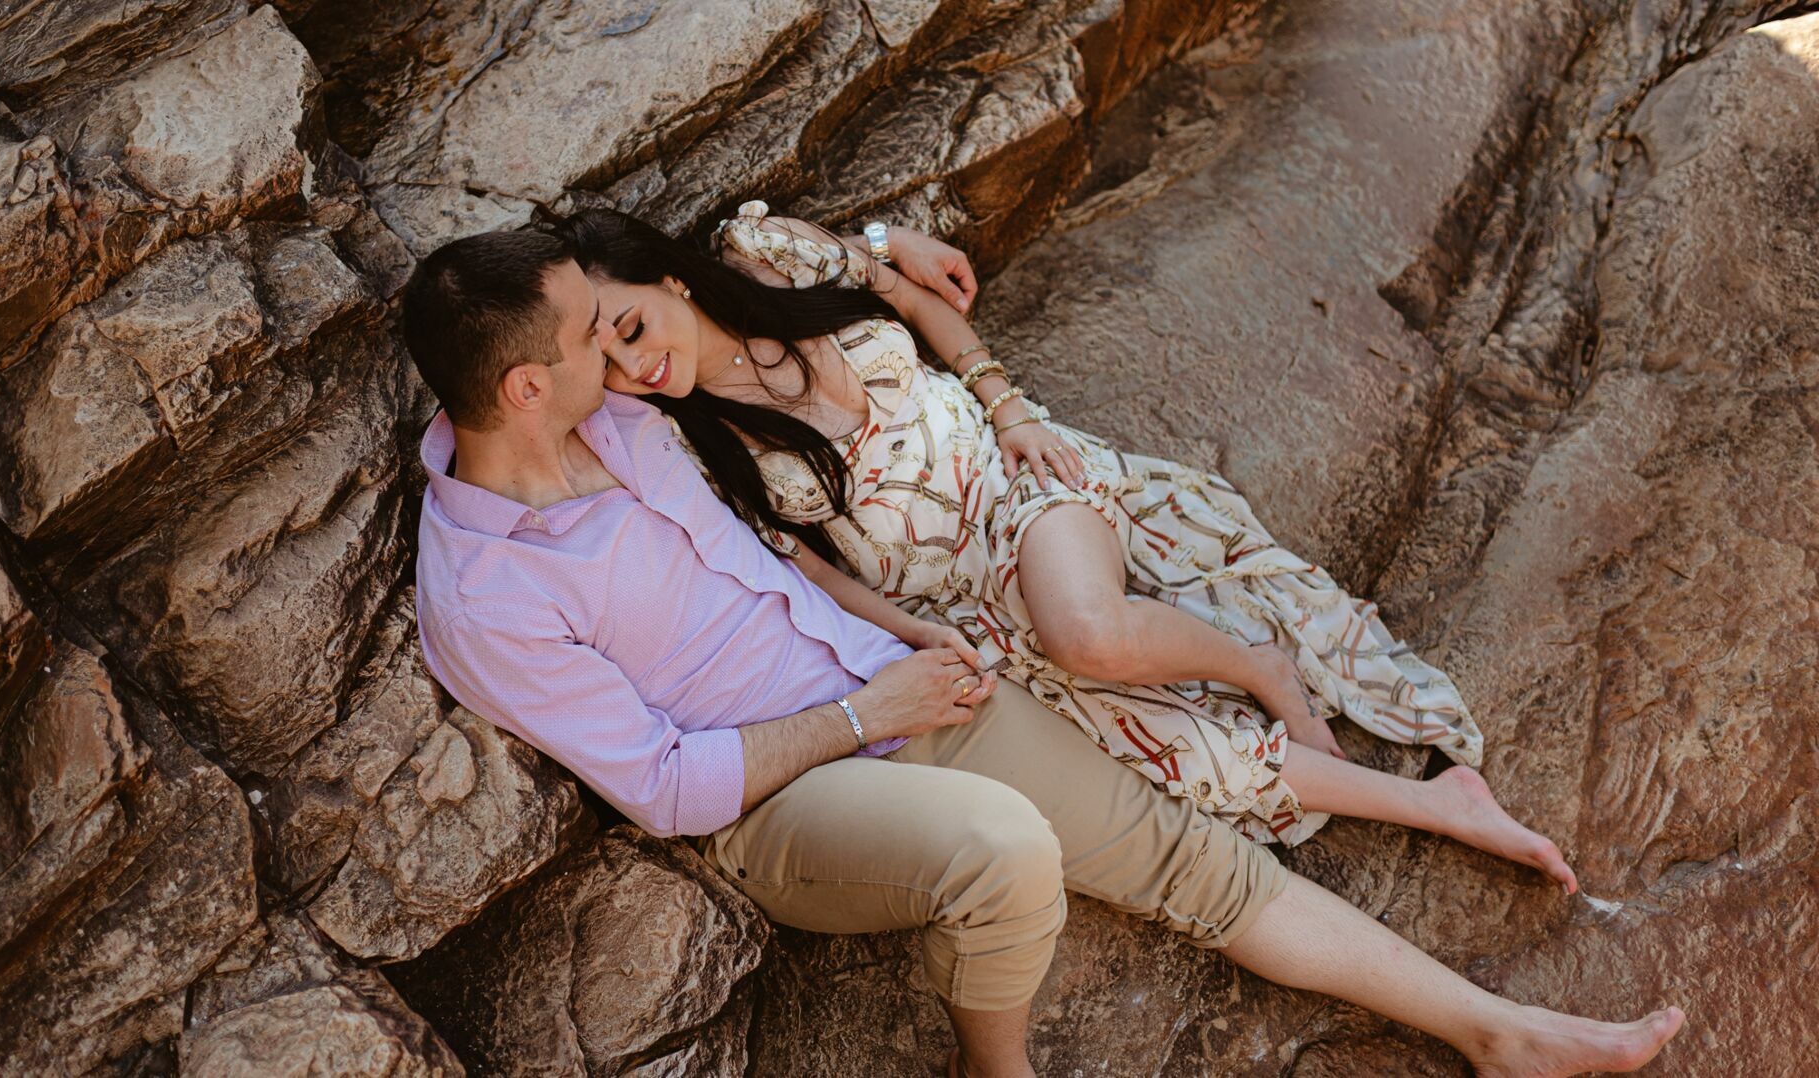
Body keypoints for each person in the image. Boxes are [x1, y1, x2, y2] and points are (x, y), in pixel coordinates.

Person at [400, 220, 1682, 1077]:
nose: (615, 364)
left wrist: (903, 257)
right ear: (525, 388)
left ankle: (1496, 1032)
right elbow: (670, 787)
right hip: (784, 789)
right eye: (586, 340)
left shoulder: (619, 427)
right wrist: (870, 703)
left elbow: (787, 491)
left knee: (1196, 860)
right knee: (1005, 855)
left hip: (901, 684)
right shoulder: (487, 599)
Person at [561, 203, 1568, 875]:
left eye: (631, 327)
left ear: (673, 282)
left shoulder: (765, 255)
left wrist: (1010, 407)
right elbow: (812, 571)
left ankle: (1261, 663)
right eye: (604, 361)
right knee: (1170, 753)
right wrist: (915, 635)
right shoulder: (688, 447)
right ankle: (1453, 807)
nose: (632, 367)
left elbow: (908, 292)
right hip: (954, 597)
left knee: (1085, 632)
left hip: (1017, 486)